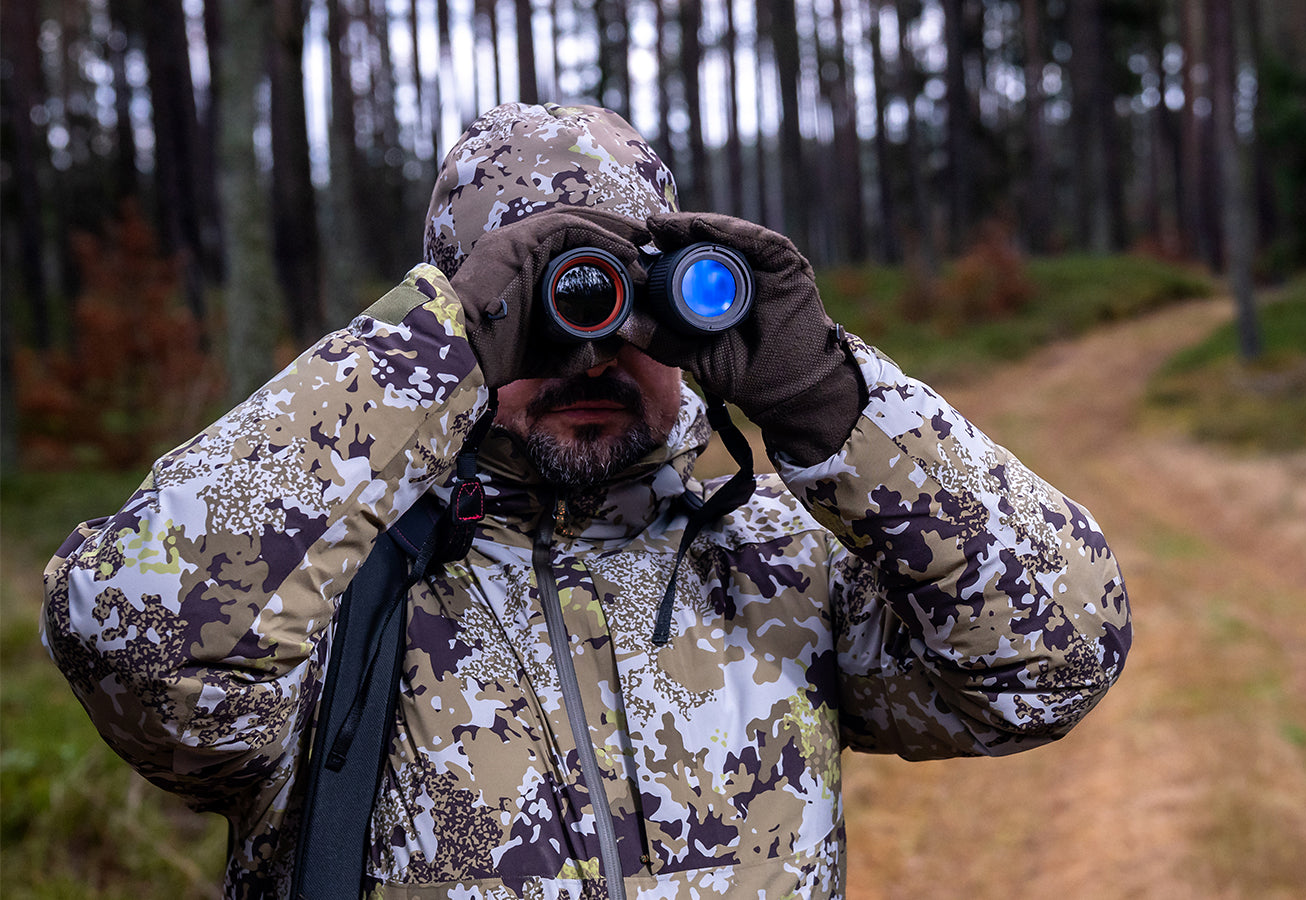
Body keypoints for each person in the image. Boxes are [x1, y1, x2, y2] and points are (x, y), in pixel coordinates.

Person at [42, 102, 1131, 899]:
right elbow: (137, 644)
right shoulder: (327, 586)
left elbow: (1056, 657)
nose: (592, 350)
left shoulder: (773, 560)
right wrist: (436, 350)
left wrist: (827, 397)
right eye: (541, 312)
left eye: (633, 307)